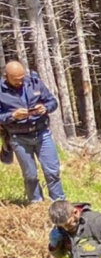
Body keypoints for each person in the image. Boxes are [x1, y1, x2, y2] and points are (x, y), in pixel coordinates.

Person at [1, 60, 63, 203]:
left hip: (42, 133)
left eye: (22, 78)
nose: (20, 82)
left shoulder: (35, 83)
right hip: (18, 137)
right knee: (30, 175)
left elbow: (53, 102)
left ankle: (59, 203)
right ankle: (36, 204)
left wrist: (45, 108)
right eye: (16, 80)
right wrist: (12, 116)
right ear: (6, 77)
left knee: (52, 171)